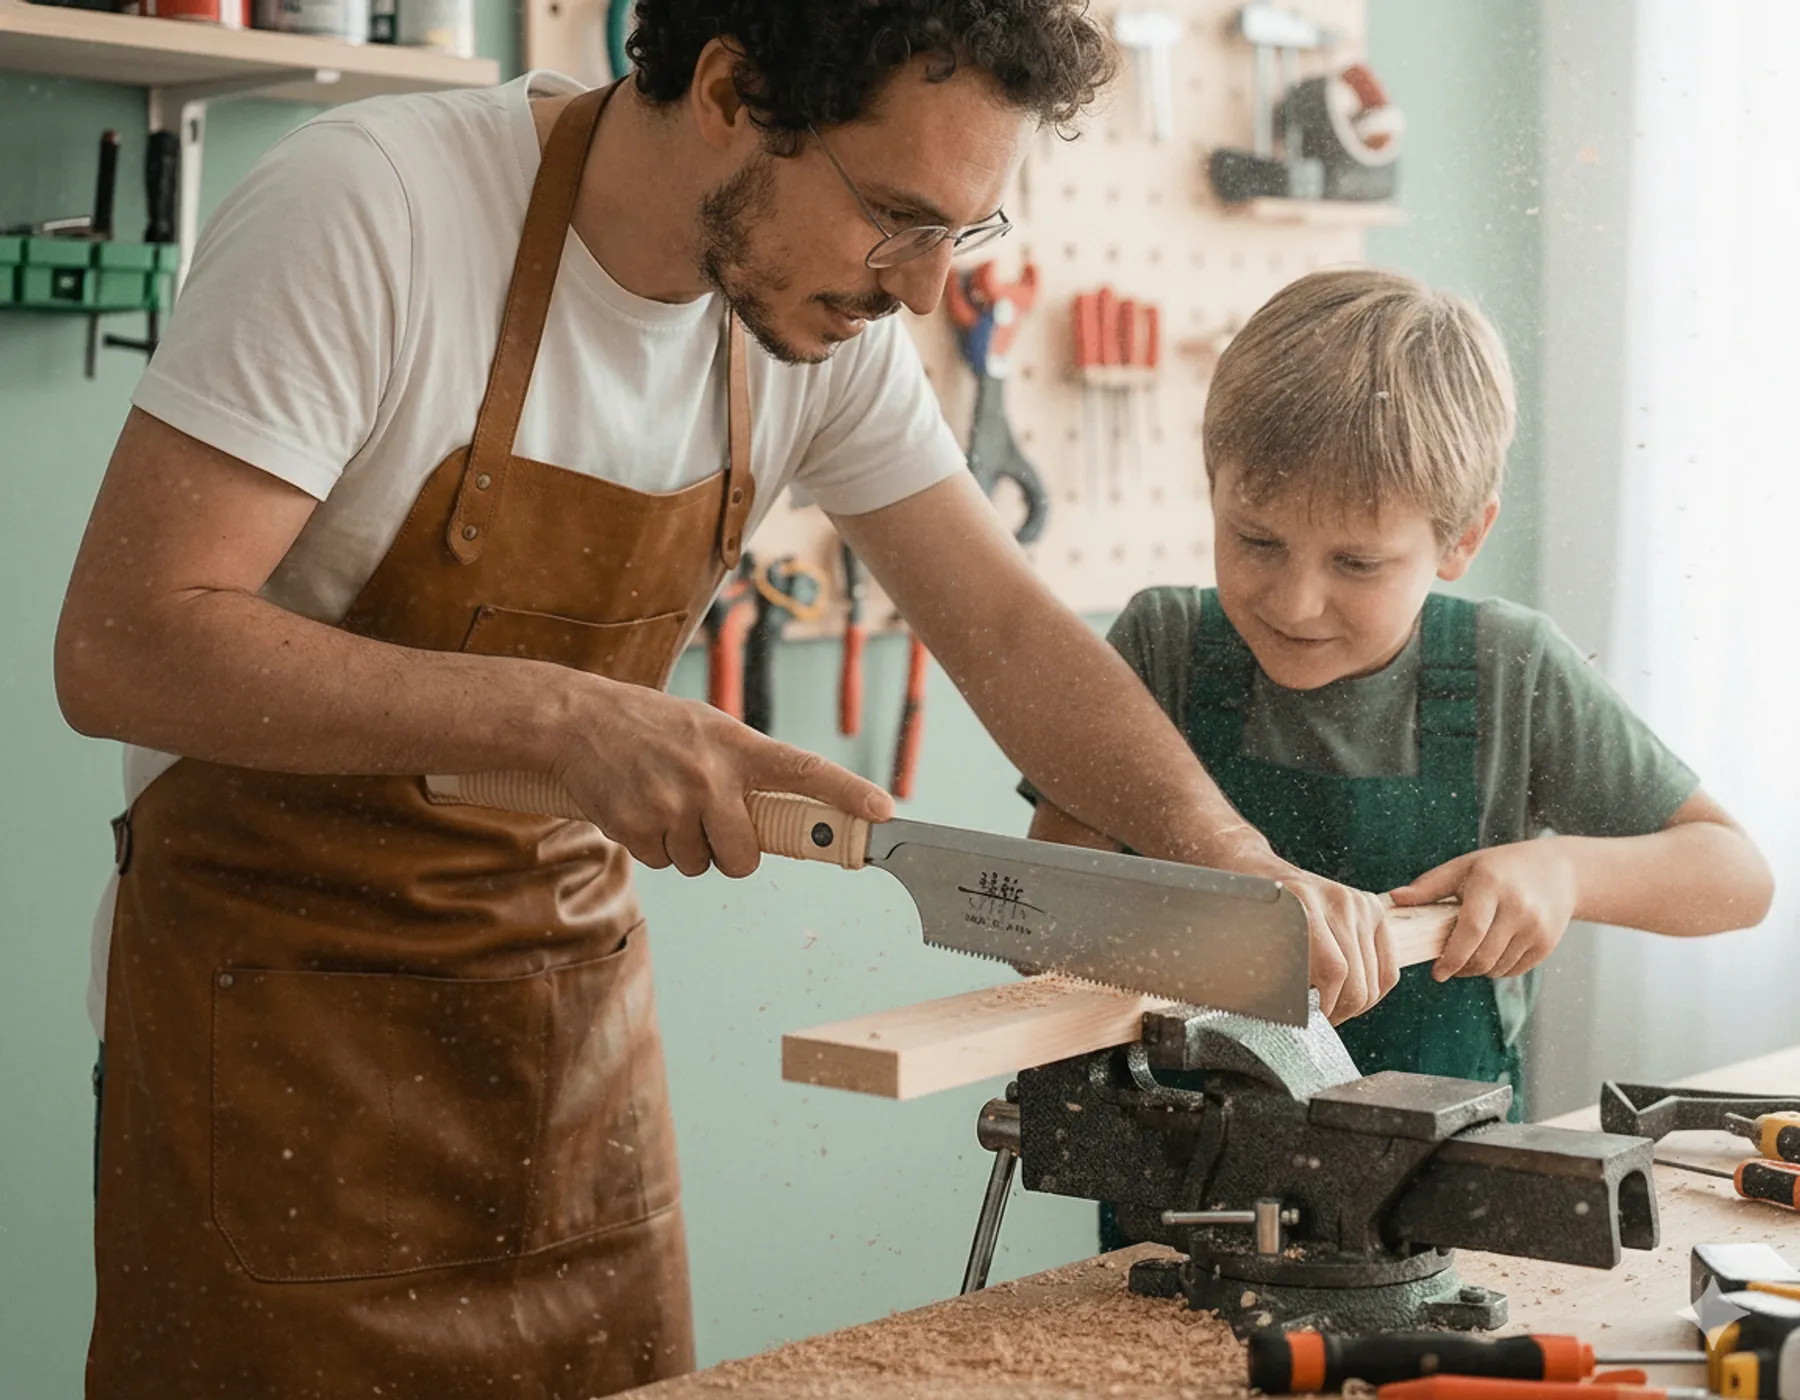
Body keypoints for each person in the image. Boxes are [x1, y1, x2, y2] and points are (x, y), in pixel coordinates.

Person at [52, 5, 1400, 1395]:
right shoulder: (374, 211)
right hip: (267, 1063)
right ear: (725, 90)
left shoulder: (812, 327)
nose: (927, 288)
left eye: (962, 235)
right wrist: (562, 718)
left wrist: (1230, 866)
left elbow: (1001, 629)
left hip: (559, 1068)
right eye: (895, 215)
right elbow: (125, 644)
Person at [1028, 267, 1774, 1119]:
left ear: (1463, 538)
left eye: (1356, 563)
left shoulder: (1512, 671)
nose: (1294, 600)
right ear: (1211, 488)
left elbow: (1736, 877)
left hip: (1441, 1191)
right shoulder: (1162, 648)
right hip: (1183, 1191)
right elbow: (1040, 924)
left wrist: (1564, 870)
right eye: (1256, 540)